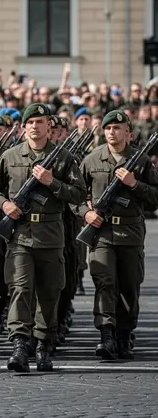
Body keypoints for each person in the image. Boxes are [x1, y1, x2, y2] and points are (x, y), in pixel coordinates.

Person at [0, 103, 86, 373]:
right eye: (30, 122)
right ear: (23, 126)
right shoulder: (10, 155)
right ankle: (19, 344)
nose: (35, 126)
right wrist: (4, 205)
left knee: (49, 292)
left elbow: (78, 194)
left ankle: (43, 343)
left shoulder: (62, 158)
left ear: (48, 127)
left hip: (51, 237)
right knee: (19, 288)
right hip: (19, 236)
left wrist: (53, 182)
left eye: (40, 122)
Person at [77, 109, 158, 360]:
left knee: (129, 285)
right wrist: (86, 213)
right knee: (105, 282)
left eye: (117, 128)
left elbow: (155, 198)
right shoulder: (91, 160)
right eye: (108, 128)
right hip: (101, 232)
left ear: (128, 133)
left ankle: (124, 333)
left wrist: (135, 184)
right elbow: (75, 195)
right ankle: (106, 334)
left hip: (131, 232)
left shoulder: (141, 161)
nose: (112, 132)